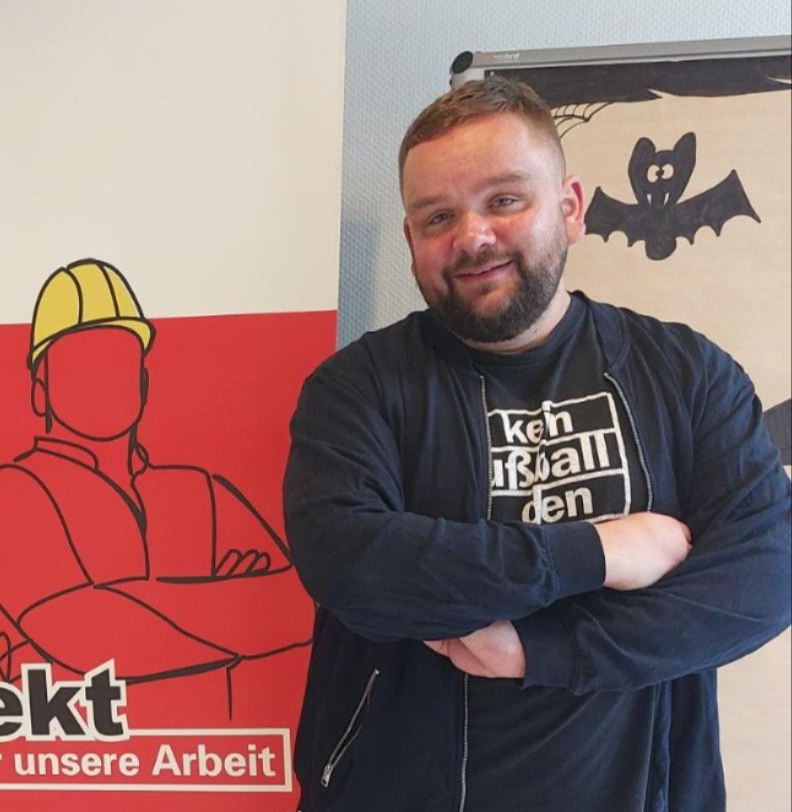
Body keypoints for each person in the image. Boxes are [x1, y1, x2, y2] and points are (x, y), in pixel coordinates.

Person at [283, 76, 791, 811]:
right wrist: (598, 552)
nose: (472, 236)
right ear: (412, 241)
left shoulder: (686, 374)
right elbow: (353, 564)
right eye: (438, 216)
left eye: (504, 200)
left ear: (570, 207)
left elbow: (764, 577)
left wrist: (543, 651)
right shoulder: (356, 388)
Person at [0, 259, 312, 725]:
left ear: (143, 379)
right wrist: (229, 601)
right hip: (67, 761)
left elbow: (297, 608)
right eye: (80, 363)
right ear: (41, 390)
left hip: (206, 758)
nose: (102, 377)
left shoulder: (200, 491)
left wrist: (132, 601)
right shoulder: (9, 493)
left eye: (118, 358)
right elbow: (90, 637)